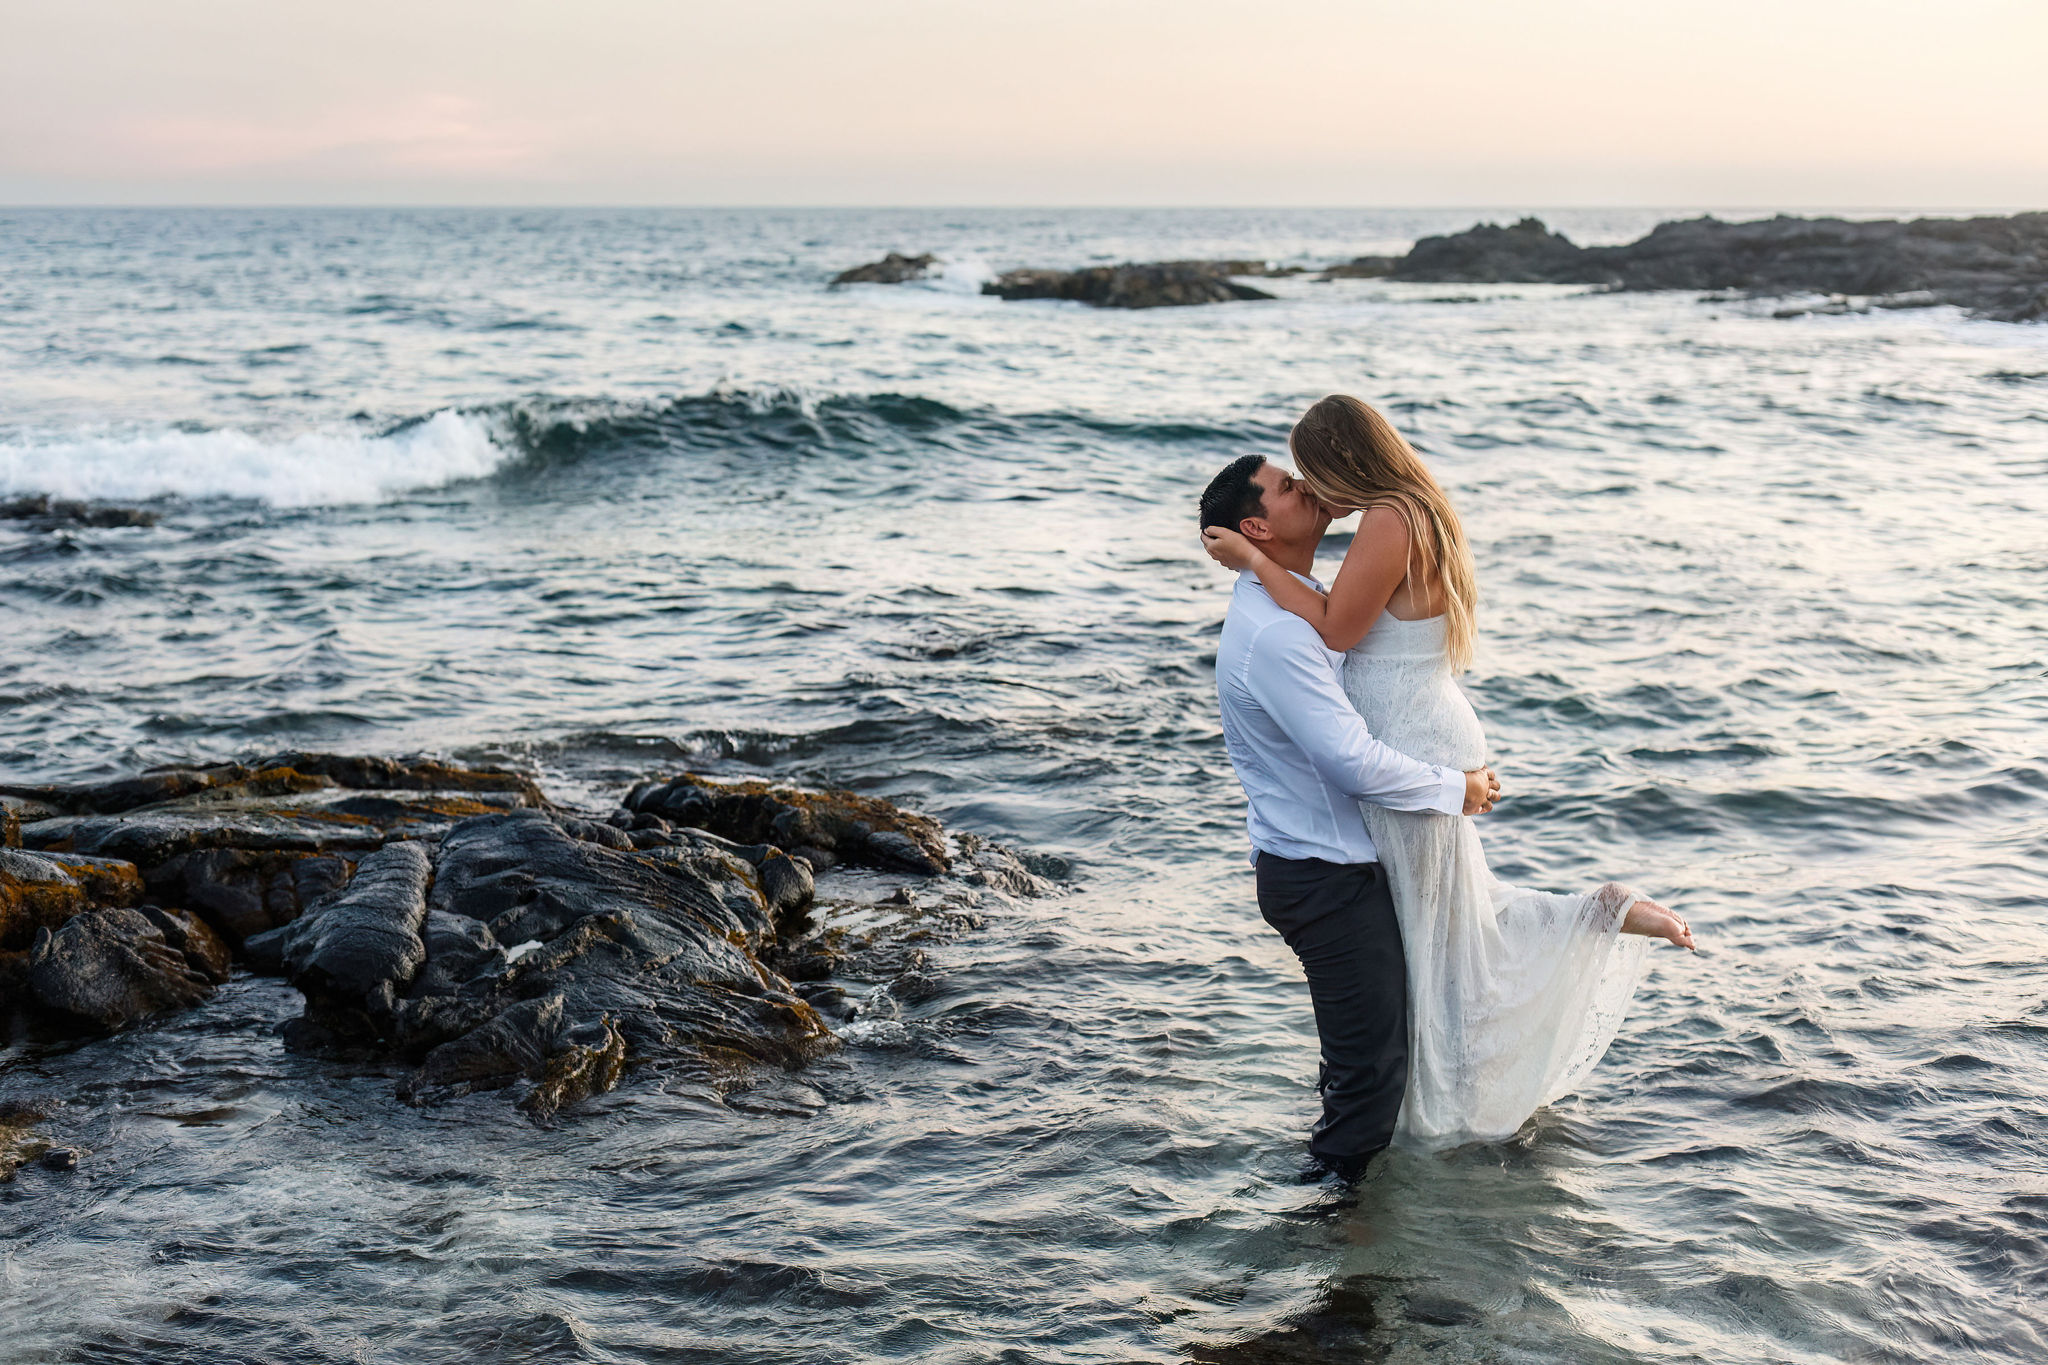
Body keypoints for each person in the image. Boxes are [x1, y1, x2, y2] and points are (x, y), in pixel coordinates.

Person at [1200, 395, 1693, 1164]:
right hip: (1418, 734)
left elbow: (1330, 629)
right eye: (1293, 483)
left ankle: (1423, 1118)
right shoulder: (1403, 512)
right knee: (1448, 926)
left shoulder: (1390, 519)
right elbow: (1336, 620)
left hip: (1413, 743)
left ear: (1344, 458)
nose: (1309, 486)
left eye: (1309, 472)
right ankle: (1408, 1115)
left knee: (1448, 939)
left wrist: (1258, 563)